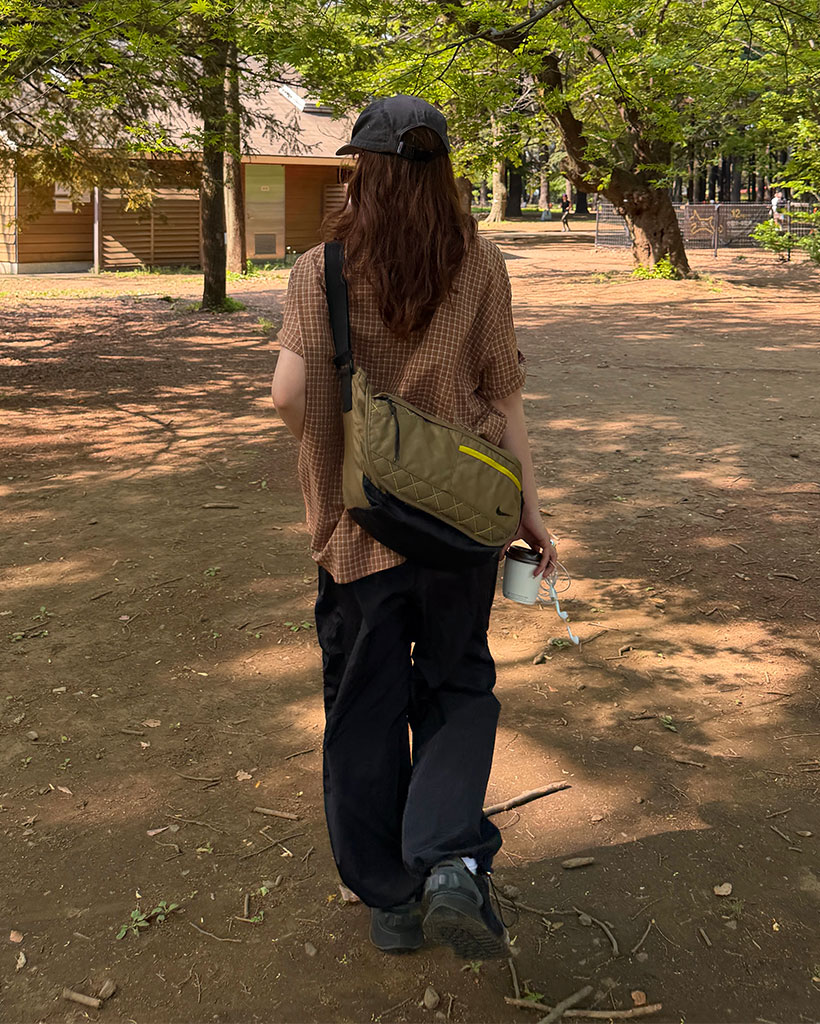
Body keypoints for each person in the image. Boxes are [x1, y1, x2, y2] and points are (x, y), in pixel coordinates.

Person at [271, 95, 556, 960]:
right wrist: (530, 509)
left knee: (363, 706)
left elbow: (288, 396)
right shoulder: (481, 262)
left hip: (357, 531)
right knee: (458, 685)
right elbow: (504, 392)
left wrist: (342, 450)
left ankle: (391, 901)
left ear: (362, 170)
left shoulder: (320, 270)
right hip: (460, 528)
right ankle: (449, 862)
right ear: (444, 176)